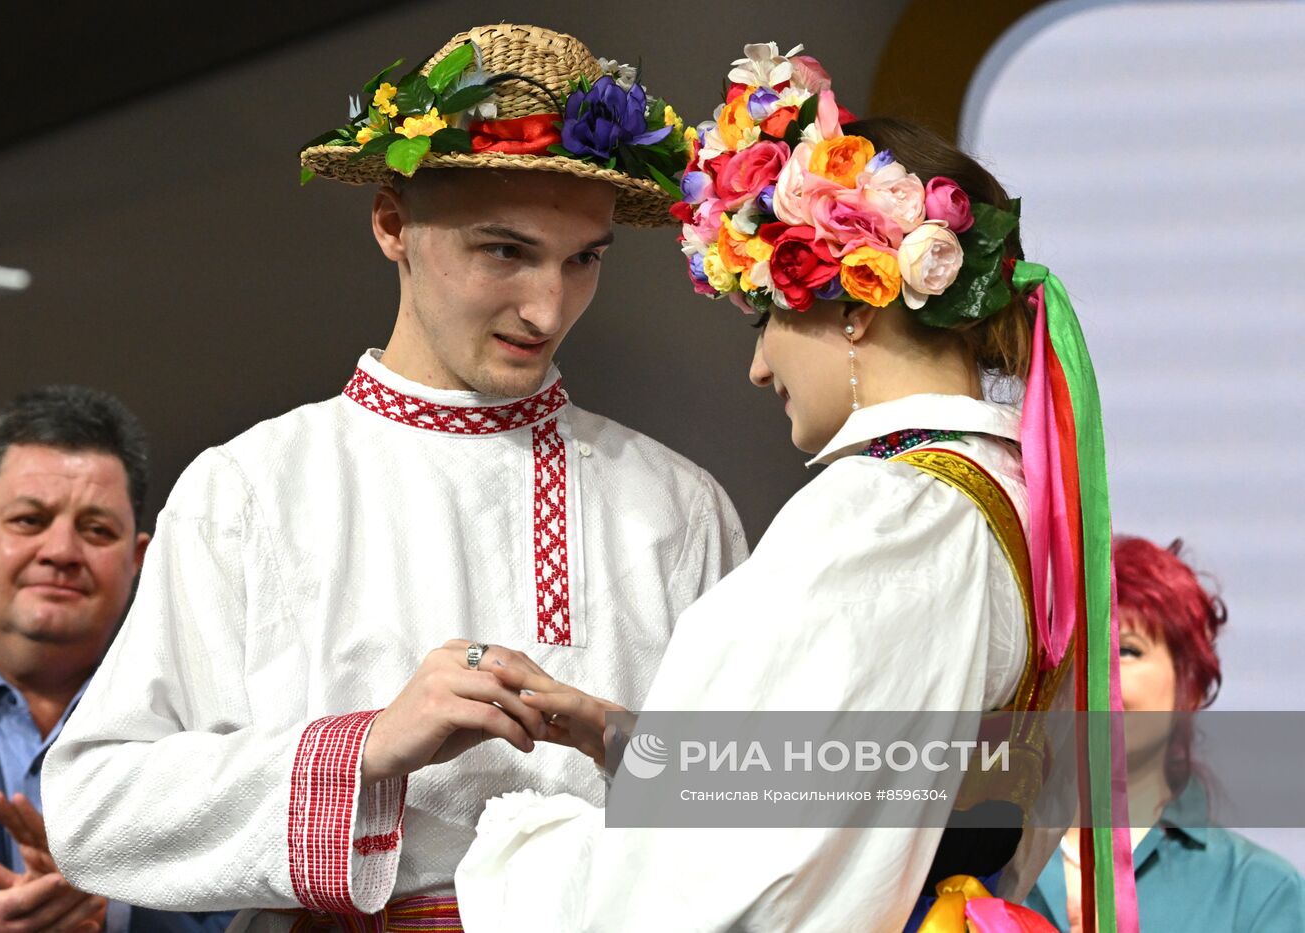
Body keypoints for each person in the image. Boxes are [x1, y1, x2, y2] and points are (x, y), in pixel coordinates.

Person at [41, 23, 746, 933]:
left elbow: (775, 811)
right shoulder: (249, 490)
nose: (548, 307)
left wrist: (623, 744)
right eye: (505, 251)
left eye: (584, 260)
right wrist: (363, 747)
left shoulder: (678, 506)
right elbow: (94, 809)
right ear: (391, 225)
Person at [455, 42, 1142, 931]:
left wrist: (520, 847)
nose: (758, 365)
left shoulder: (886, 514)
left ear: (857, 306)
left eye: (768, 314)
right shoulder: (1000, 495)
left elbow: (739, 882)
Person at [0, 385, 231, 933]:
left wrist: (115, 913)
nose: (60, 551)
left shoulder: (209, 743)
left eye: (96, 530)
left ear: (138, 562)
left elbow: (250, 919)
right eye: (30, 520)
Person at [1024, 536, 1305, 931]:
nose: (1093, 674)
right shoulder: (974, 864)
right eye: (1074, 649)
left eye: (1126, 651)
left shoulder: (1257, 893)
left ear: (1188, 685)